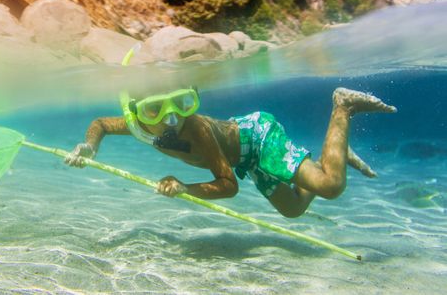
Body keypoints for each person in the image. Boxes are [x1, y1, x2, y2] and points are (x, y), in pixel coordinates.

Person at [65, 86, 396, 218]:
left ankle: (342, 108)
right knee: (293, 209)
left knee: (330, 186)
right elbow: (100, 124)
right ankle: (331, 153)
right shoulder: (134, 125)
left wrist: (184, 188)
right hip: (247, 159)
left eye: (180, 106)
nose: (170, 119)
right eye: (155, 110)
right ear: (137, 114)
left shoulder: (194, 128)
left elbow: (228, 185)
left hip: (257, 137)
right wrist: (88, 147)